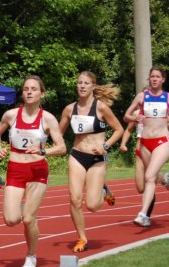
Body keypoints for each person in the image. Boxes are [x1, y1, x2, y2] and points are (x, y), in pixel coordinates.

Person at [0, 75, 66, 267]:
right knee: (11, 220)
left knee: (28, 219)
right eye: (26, 89)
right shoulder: (11, 115)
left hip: (37, 171)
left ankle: (31, 255)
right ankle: (24, 208)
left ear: (42, 94)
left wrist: (44, 151)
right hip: (15, 169)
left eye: (34, 89)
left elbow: (61, 147)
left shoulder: (47, 118)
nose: (29, 92)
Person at [58, 71, 123, 252]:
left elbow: (119, 129)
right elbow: (58, 133)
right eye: (79, 83)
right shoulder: (69, 109)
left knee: (92, 205)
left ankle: (103, 190)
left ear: (93, 86)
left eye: (86, 83)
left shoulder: (101, 107)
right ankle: (82, 238)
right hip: (77, 156)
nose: (82, 86)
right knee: (75, 199)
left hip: (97, 159)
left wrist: (105, 146)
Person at [124, 67, 169, 227]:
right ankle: (165, 180)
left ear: (163, 79)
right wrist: (135, 118)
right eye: (152, 76)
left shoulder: (167, 97)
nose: (154, 79)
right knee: (151, 177)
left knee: (149, 176)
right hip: (144, 142)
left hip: (162, 141)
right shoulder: (142, 96)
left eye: (157, 77)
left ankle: (143, 214)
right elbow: (126, 116)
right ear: (149, 79)